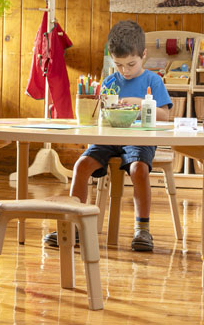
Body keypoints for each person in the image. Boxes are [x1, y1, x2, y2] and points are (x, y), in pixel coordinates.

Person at [44, 20, 172, 251]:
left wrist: (140, 103)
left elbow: (164, 116)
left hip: (139, 140)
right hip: (108, 138)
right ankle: (75, 225)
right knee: (81, 165)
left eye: (131, 64)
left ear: (144, 55)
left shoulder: (153, 80)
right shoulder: (110, 82)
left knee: (139, 169)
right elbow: (100, 115)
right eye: (119, 64)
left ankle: (142, 229)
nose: (125, 70)